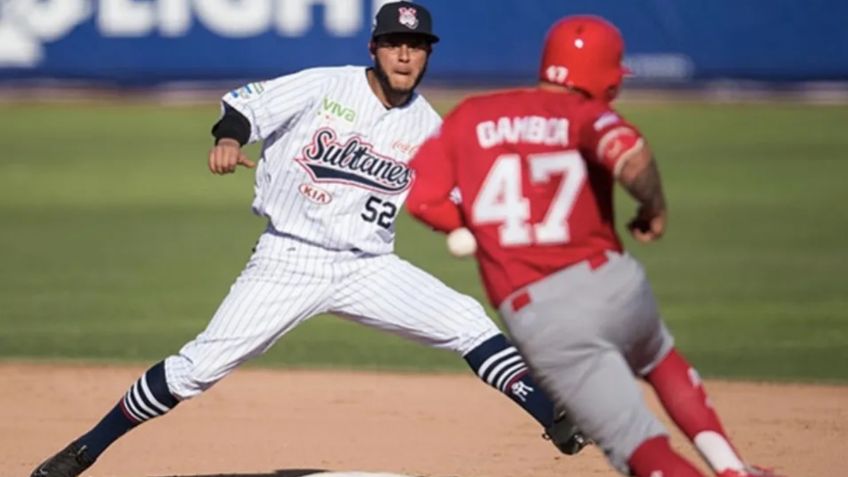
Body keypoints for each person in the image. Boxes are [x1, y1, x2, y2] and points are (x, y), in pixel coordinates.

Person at [29, 3, 586, 477]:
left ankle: (556, 420)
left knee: (466, 321)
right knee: (195, 369)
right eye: (394, 44)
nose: (405, 56)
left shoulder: (430, 128)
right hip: (288, 259)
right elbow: (243, 105)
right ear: (374, 48)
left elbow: (462, 200)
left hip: (369, 267)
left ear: (427, 55)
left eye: (416, 46)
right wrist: (229, 140)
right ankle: (85, 450)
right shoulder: (327, 85)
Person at [405, 14, 784, 477]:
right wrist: (653, 207)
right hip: (613, 282)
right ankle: (732, 467)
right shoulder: (585, 114)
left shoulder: (472, 115)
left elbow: (422, 199)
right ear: (606, 75)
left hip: (543, 316)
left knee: (639, 445)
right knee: (661, 361)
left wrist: (472, 227)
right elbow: (632, 157)